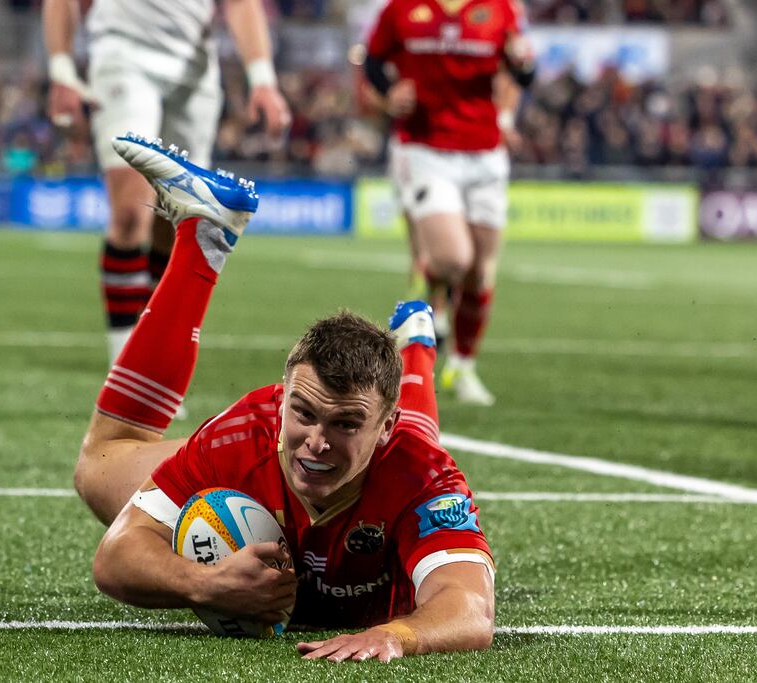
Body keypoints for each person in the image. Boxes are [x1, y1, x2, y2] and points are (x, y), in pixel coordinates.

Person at [75, 134, 495, 662]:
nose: (316, 442)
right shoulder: (242, 434)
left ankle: (417, 351)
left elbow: (470, 609)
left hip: (398, 446)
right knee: (100, 467)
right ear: (282, 401)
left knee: (415, 440)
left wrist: (397, 635)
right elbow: (114, 558)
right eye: (303, 413)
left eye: (345, 423)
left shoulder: (422, 474)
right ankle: (203, 242)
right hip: (333, 442)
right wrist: (203, 583)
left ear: (379, 428)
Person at [42, 0, 290, 362]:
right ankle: (124, 364)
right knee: (130, 214)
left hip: (194, 69)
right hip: (122, 52)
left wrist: (263, 80)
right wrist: (62, 72)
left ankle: (151, 351)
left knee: (178, 224)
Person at [363, 0, 536, 405]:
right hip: (425, 149)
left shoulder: (501, 9)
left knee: (480, 272)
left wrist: (522, 62)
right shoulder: (401, 9)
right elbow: (372, 62)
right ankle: (427, 291)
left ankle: (463, 365)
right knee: (453, 258)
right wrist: (390, 93)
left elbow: (524, 74)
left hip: (485, 153)